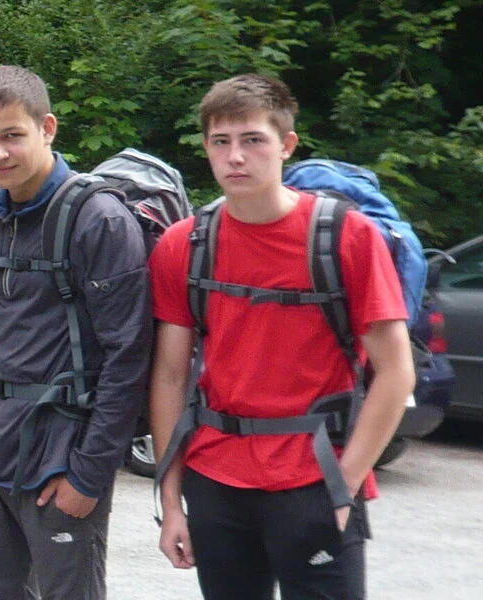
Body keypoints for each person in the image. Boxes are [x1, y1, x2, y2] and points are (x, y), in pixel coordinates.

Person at [150, 73, 412, 599]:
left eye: (252, 140)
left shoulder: (348, 237)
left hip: (314, 479)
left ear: (286, 145)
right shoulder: (184, 244)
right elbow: (170, 375)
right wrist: (170, 501)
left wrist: (345, 485)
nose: (235, 157)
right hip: (216, 481)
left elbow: (397, 371)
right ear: (205, 148)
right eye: (220, 142)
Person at [0, 65, 155, 599]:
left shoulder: (99, 220)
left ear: (47, 128)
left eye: (12, 135)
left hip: (61, 458)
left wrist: (89, 473)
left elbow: (128, 356)